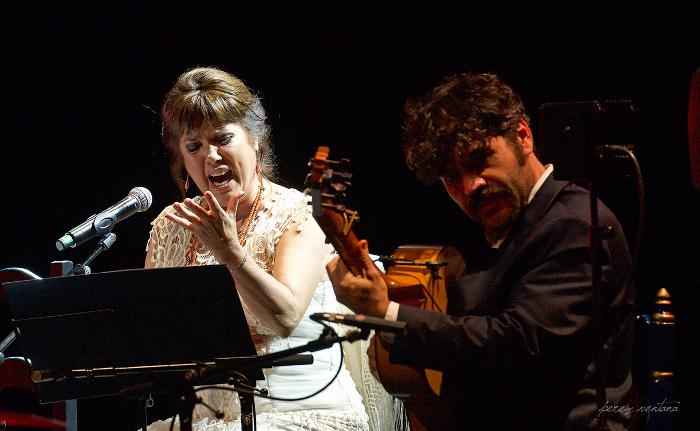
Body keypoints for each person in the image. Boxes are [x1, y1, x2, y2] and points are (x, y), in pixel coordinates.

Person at [327, 73, 635, 430]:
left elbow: (516, 346)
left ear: (523, 137)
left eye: (478, 160)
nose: (470, 186)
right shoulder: (492, 229)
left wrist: (388, 311)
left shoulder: (574, 222)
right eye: (451, 178)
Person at [145, 67, 369, 431]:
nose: (211, 156)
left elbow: (282, 319)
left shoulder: (298, 213)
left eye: (222, 139)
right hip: (206, 418)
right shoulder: (172, 227)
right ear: (182, 160)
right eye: (194, 146)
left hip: (301, 414)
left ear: (255, 140)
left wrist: (232, 255)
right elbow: (153, 337)